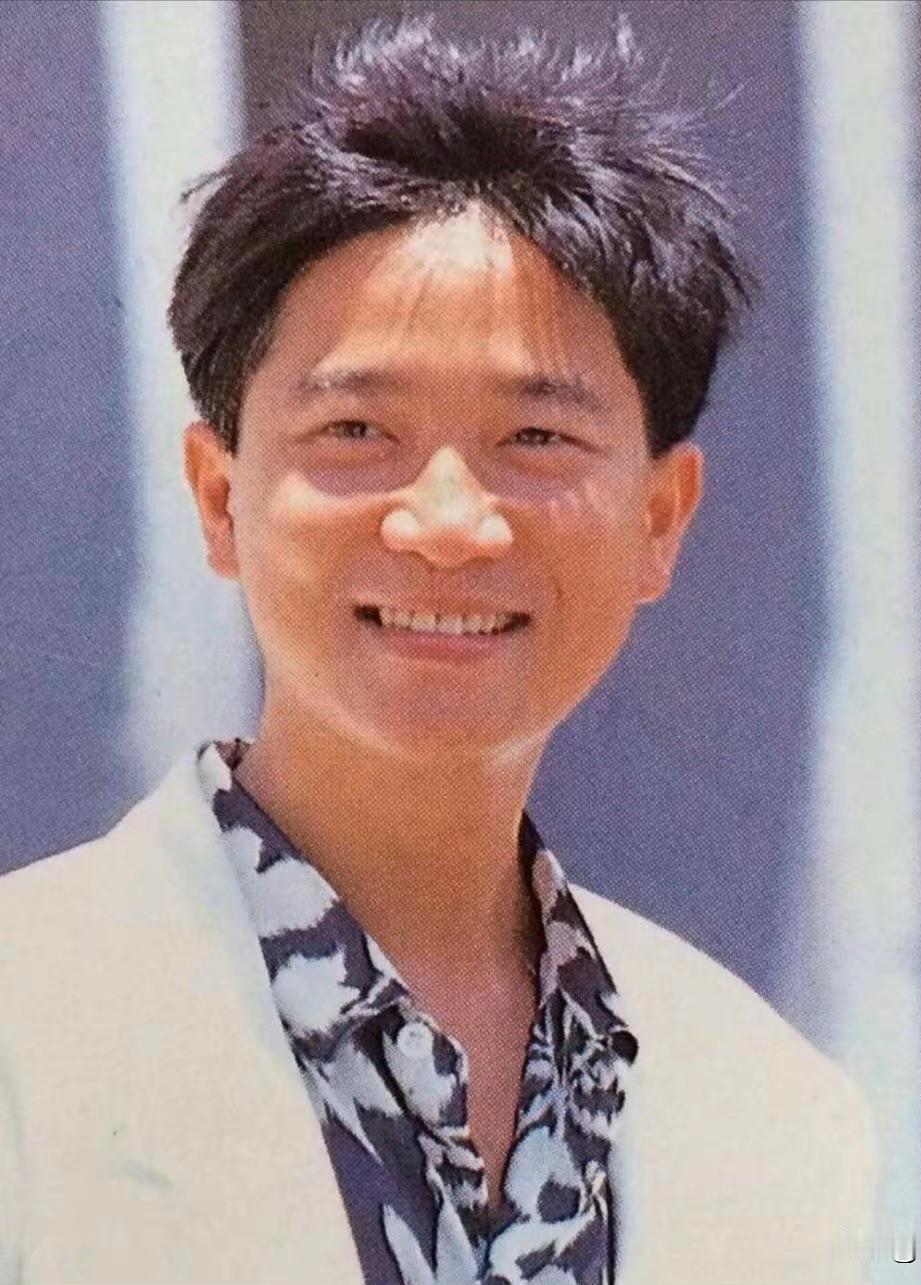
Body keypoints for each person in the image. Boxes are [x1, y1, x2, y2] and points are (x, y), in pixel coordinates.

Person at [0, 17, 874, 1285]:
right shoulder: (29, 1033)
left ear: (660, 519)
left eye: (538, 439)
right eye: (358, 431)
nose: (450, 523)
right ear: (218, 497)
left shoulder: (779, 1118)